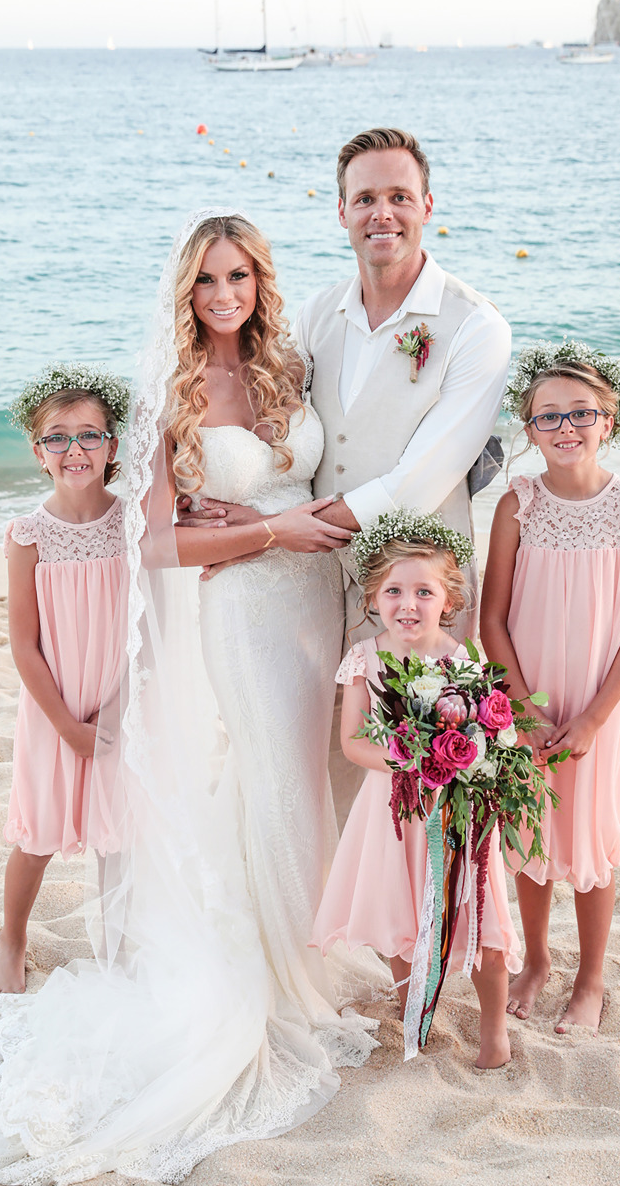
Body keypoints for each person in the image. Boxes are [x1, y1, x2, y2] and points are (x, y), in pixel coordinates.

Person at [0, 210, 382, 1186]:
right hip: (246, 608)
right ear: (186, 293)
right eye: (207, 282)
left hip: (323, 596)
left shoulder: (292, 370)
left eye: (239, 278)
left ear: (260, 283)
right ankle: (281, 983)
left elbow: (326, 470)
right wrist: (269, 532)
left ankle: (311, 944)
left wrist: (316, 520)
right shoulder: (173, 398)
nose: (224, 297)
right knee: (270, 780)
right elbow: (156, 543)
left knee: (313, 779)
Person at [179, 129, 511, 823]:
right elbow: (264, 423)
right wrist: (243, 520)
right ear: (341, 213)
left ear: (427, 203)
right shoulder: (316, 314)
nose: (381, 214)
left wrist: (274, 531)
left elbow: (424, 476)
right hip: (306, 594)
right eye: (365, 198)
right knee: (318, 780)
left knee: (416, 793)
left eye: (397, 196)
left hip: (415, 595)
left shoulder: (476, 326)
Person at [479, 341, 620, 1034]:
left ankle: (591, 977)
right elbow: (491, 618)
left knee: (590, 832)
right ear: (527, 431)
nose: (566, 428)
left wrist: (590, 719)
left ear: (608, 419)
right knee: (530, 831)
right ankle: (536, 961)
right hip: (526, 698)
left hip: (597, 701)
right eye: (548, 418)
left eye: (580, 414)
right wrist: (522, 712)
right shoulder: (518, 503)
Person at [311, 516, 522, 1069]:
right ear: (373, 598)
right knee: (400, 921)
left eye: (424, 591)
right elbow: (355, 743)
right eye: (394, 591)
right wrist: (414, 758)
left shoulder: (464, 658)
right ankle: (414, 1015)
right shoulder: (365, 659)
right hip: (391, 814)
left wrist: (467, 761)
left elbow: (492, 733)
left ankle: (494, 1029)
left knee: (480, 917)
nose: (408, 604)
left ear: (448, 599)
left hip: (457, 814)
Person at [0, 364, 130, 996]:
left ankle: (124, 950)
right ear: (37, 452)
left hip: (120, 702)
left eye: (90, 435)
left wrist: (117, 711)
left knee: (121, 832)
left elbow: (147, 632)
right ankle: (12, 938)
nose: (75, 449)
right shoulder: (28, 536)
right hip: (54, 707)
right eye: (57, 437)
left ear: (114, 446)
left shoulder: (134, 525)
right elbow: (23, 644)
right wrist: (67, 725)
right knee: (39, 832)